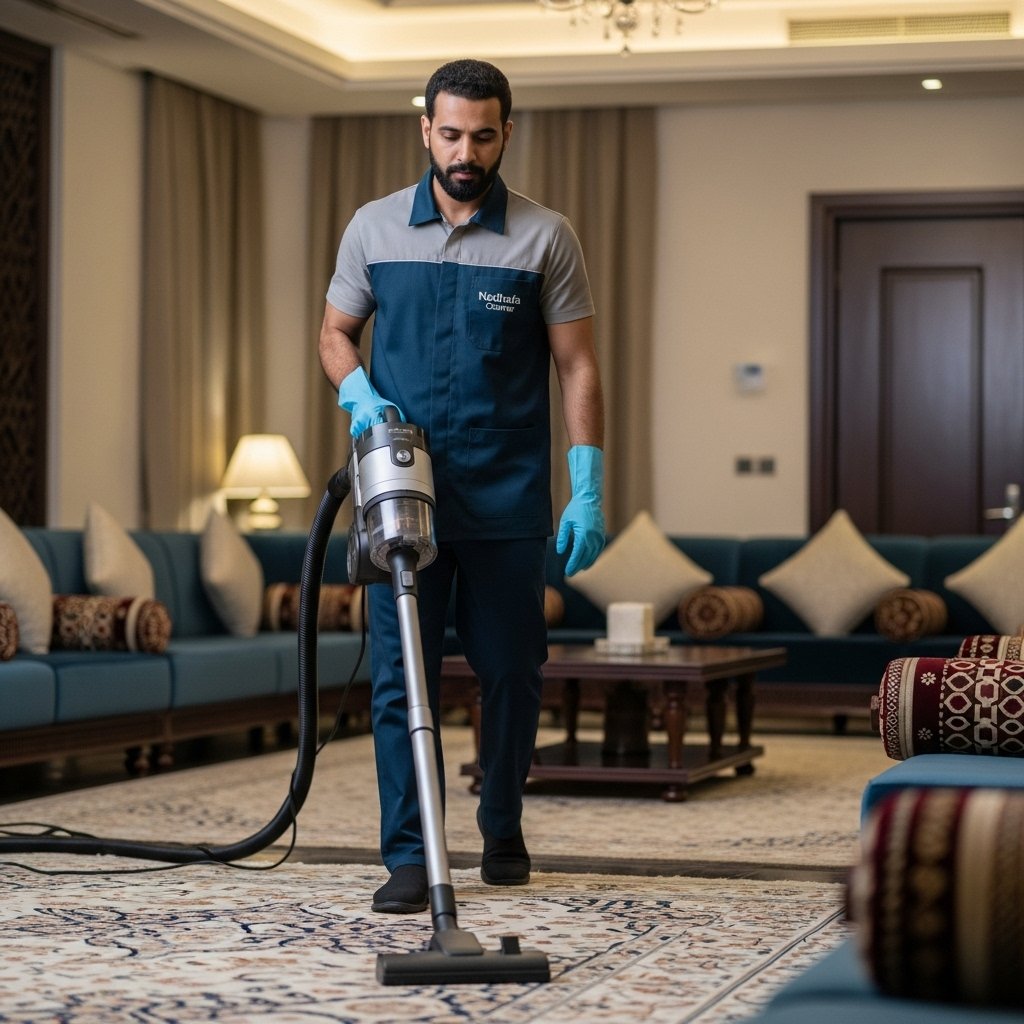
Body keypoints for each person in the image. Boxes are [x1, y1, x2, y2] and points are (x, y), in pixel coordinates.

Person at [319, 58, 605, 914]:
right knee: (399, 681)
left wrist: (585, 481)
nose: (465, 151)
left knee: (513, 668)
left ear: (507, 133)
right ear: (425, 130)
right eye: (450, 134)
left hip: (508, 494)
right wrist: (358, 390)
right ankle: (411, 853)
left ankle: (503, 821)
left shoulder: (544, 235)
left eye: (483, 135)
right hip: (401, 492)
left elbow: (578, 364)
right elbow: (336, 333)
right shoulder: (372, 229)